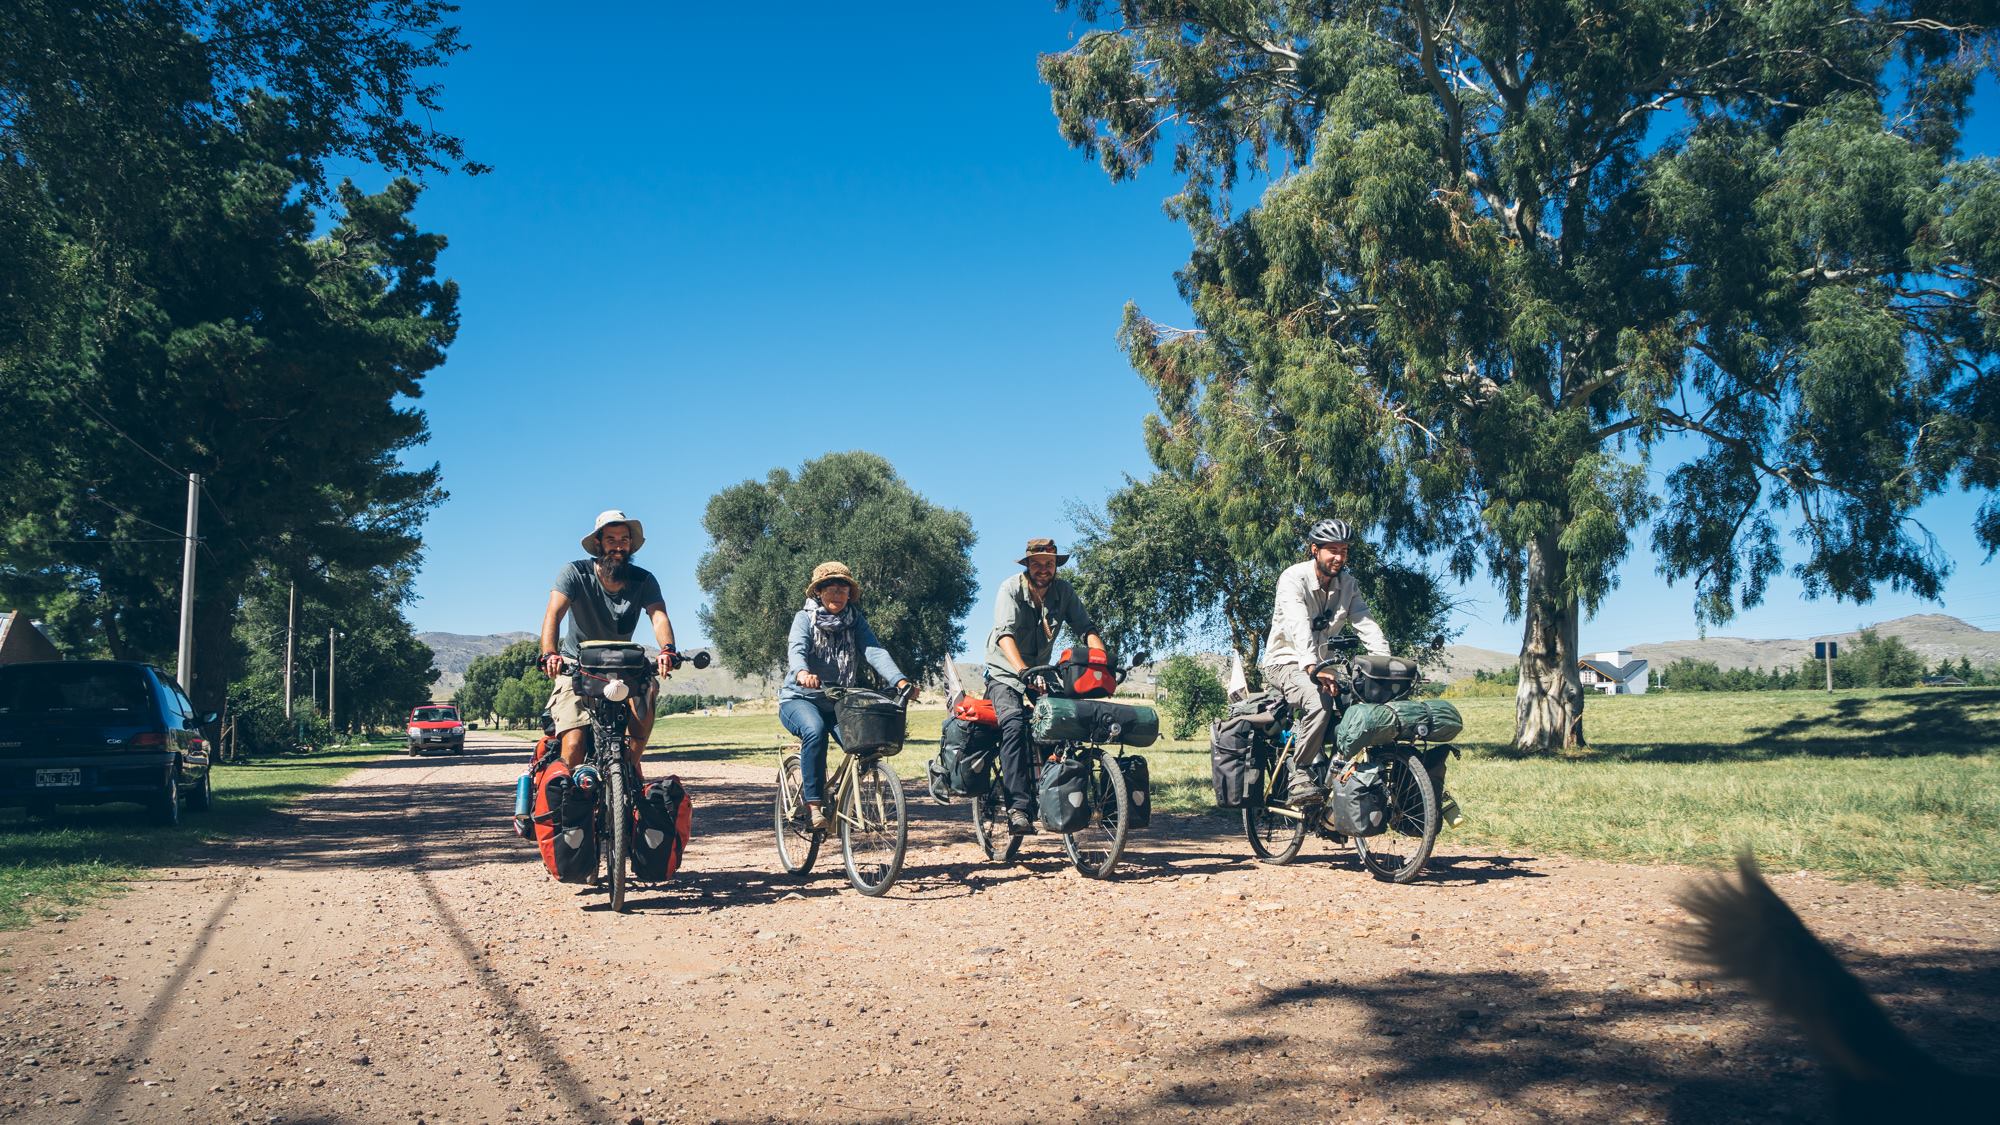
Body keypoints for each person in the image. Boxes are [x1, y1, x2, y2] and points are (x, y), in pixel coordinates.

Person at [1260, 517, 1389, 804]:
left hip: (1323, 667)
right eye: (1332, 550)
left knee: (1363, 703)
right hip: (1285, 662)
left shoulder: (1348, 584)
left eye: (1344, 550)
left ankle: (1339, 782)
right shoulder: (1293, 578)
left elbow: (1365, 623)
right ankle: (1300, 773)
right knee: (1319, 701)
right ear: (1314, 550)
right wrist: (1311, 667)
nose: (1339, 557)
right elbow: (1298, 624)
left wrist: (1387, 665)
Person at [539, 510, 680, 769]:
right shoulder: (575, 573)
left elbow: (658, 616)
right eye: (611, 539)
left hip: (623, 666)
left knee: (649, 689)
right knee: (573, 746)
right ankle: (570, 803)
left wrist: (667, 650)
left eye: (624, 540)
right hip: (576, 666)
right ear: (598, 543)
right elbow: (553, 614)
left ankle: (627, 769)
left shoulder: (644, 580)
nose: (618, 546)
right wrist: (550, 653)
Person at [781, 562, 916, 831]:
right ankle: (814, 806)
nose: (837, 595)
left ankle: (842, 800)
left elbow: (874, 651)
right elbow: (796, 649)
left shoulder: (855, 621)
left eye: (843, 589)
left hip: (838, 701)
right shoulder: (804, 618)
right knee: (814, 730)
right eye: (831, 588)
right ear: (818, 592)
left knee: (866, 746)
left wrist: (901, 681)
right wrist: (803, 672)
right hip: (800, 698)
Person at [984, 538, 1105, 836]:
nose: (1043, 569)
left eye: (1049, 563)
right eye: (1037, 563)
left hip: (1041, 671)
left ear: (1055, 566)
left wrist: (1101, 661)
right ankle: (1018, 808)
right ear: (1027, 564)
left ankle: (1056, 795)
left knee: (1063, 723)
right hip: (1005, 671)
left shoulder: (1064, 592)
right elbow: (1005, 636)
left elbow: (1086, 627)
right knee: (1013, 723)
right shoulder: (1010, 589)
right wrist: (1021, 671)